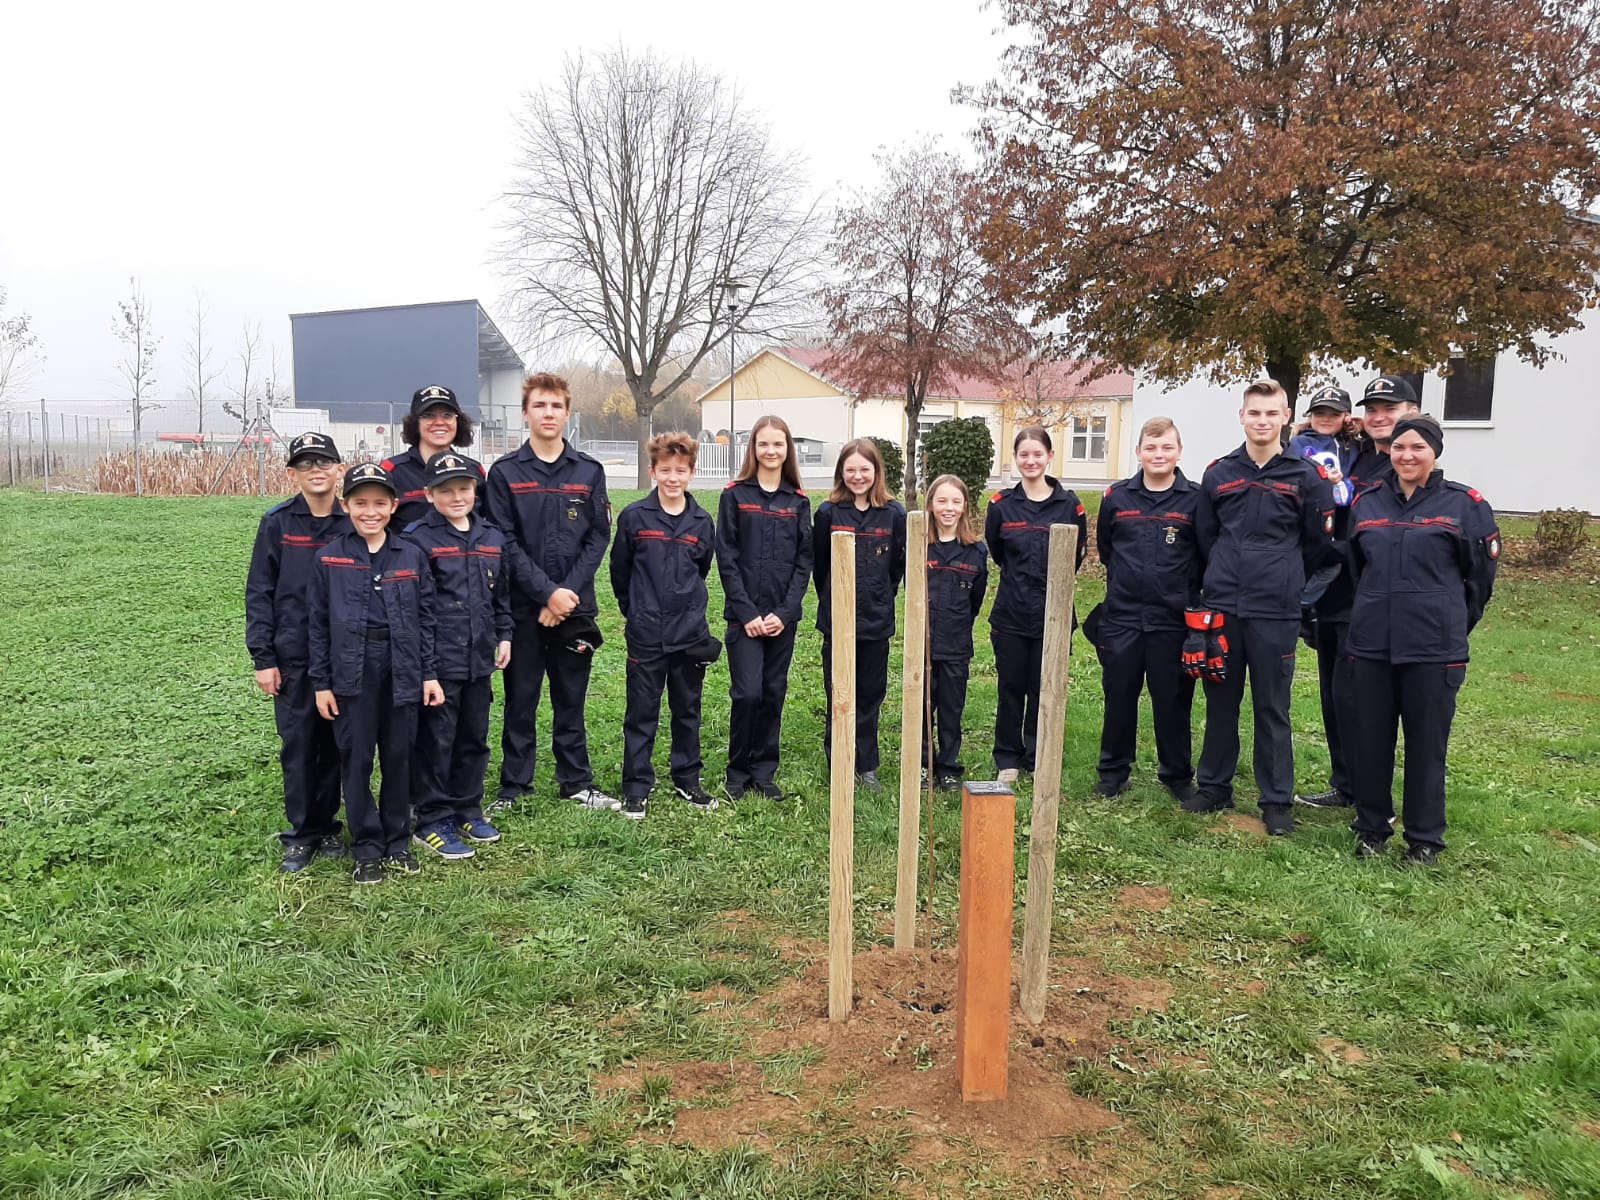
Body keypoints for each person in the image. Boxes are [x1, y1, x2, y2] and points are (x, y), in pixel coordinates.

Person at [1344, 416, 1499, 865]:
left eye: (1417, 447)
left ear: (1435, 451)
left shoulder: (1465, 505)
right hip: (1372, 643)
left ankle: (1424, 838)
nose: (1407, 456)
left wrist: (1446, 621)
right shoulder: (1367, 503)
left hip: (1433, 648)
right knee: (1370, 741)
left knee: (1427, 744)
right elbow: (1357, 569)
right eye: (1398, 448)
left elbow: (1478, 581)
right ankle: (1371, 828)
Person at [1191, 379, 1335, 835]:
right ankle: (1214, 786)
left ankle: (1275, 801)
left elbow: (1316, 544)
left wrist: (1283, 576)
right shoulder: (1218, 474)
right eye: (1255, 413)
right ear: (1242, 417)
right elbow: (1206, 539)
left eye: (1272, 414)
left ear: (1286, 417)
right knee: (1220, 701)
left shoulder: (1306, 477)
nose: (1263, 421)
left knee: (1273, 707)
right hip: (1224, 606)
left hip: (1275, 610)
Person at [483, 373, 619, 812]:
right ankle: (514, 787)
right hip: (523, 610)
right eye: (539, 405)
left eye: (556, 406)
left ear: (567, 412)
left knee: (570, 699)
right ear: (525, 412)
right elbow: (503, 540)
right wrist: (545, 595)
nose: (548, 413)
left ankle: (576, 781)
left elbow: (598, 537)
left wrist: (565, 597)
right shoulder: (504, 473)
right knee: (520, 700)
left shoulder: (588, 471)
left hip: (574, 610)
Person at [308, 462, 445, 883]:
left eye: (380, 503)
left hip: (401, 667)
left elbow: (427, 619)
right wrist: (322, 683)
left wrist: (428, 674)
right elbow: (316, 624)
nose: (371, 511)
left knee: (399, 756)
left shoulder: (411, 555)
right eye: (361, 502)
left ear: (393, 505)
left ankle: (397, 841)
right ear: (346, 504)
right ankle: (367, 846)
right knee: (357, 758)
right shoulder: (329, 557)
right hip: (351, 671)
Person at [1298, 374, 1424, 809]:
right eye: (1372, 409)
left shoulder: (1410, 465)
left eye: (1390, 408)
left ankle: (1372, 793)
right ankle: (1346, 782)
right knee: (1336, 697)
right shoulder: (1352, 456)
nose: (1379, 416)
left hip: (1374, 602)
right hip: (1333, 596)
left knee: (1366, 702)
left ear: (1413, 412)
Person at [246, 432, 351, 873]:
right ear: (292, 472)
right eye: (305, 463)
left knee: (336, 745)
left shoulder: (353, 524)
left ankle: (329, 827)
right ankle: (301, 833)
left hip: (344, 657)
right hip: (292, 657)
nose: (316, 469)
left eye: (324, 461)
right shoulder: (278, 523)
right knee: (299, 744)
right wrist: (263, 658)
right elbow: (260, 591)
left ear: (339, 468)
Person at [403, 452, 515, 860]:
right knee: (436, 740)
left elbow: (499, 597)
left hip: (479, 659)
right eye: (446, 490)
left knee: (473, 737)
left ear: (475, 492)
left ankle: (468, 807)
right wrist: (426, 670)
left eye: (464, 488)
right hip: (439, 664)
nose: (456, 496)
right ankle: (432, 818)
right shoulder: (417, 540)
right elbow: (416, 611)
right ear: (430, 494)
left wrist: (504, 636)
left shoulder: (490, 537)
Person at [1089, 417, 1202, 802]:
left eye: (1166, 447)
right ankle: (1113, 772)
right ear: (1138, 453)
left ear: (1179, 452)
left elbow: (1202, 556)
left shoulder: (1195, 499)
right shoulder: (1116, 498)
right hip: (1122, 616)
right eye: (1151, 448)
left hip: (1172, 619)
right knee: (1119, 695)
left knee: (1172, 700)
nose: (1158, 454)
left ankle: (1177, 775)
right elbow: (1107, 550)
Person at [610, 433, 722, 819]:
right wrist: (637, 611)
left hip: (689, 635)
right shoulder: (635, 518)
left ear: (693, 472)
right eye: (665, 470)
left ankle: (687, 778)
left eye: (681, 471)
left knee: (687, 710)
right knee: (641, 713)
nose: (672, 478)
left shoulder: (702, 522)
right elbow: (620, 572)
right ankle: (637, 786)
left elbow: (702, 568)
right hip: (646, 636)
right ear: (652, 471)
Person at [715, 415, 813, 802]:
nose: (770, 451)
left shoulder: (798, 501)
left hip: (781, 620)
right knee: (747, 694)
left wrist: (785, 613)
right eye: (763, 444)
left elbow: (804, 562)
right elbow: (727, 557)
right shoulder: (735, 496)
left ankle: (763, 771)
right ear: (752, 449)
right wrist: (747, 613)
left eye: (778, 444)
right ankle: (737, 772)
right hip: (745, 620)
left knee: (773, 693)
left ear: (787, 449)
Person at [985, 425, 1088, 785]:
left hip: (1054, 613)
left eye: (1037, 454)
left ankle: (1038, 752)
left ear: (1050, 457)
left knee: (1045, 686)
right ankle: (1008, 757)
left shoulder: (1070, 505)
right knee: (1011, 687)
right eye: (1024, 454)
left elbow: (1075, 556)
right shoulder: (1001, 506)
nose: (1031, 460)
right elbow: (998, 553)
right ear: (1015, 459)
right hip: (1013, 612)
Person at [813, 438, 907, 791]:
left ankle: (866, 765)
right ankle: (839, 759)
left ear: (876, 472)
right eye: (850, 469)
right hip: (837, 620)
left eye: (864, 469)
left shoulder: (893, 514)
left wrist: (880, 595)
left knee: (869, 694)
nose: (857, 476)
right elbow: (820, 567)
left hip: (876, 620)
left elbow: (897, 566)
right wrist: (836, 602)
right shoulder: (827, 513)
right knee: (838, 691)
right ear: (841, 473)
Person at [1286, 385, 1361, 809]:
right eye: (1320, 412)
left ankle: (1363, 787)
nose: (1326, 418)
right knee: (1334, 694)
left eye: (1335, 413)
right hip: (1323, 557)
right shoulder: (1303, 446)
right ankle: (1346, 782)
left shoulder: (1363, 450)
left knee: (1356, 696)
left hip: (1361, 588)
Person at [921, 474, 988, 791]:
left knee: (950, 709)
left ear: (964, 507)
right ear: (931, 505)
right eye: (942, 501)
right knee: (922, 709)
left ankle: (948, 767)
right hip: (922, 646)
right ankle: (924, 764)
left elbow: (976, 600)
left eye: (955, 501)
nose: (948, 508)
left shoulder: (975, 552)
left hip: (957, 645)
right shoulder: (919, 544)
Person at [383, 385, 481, 527]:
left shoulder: (474, 470)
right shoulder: (392, 470)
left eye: (447, 415)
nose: (439, 422)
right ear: (415, 423)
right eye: (429, 415)